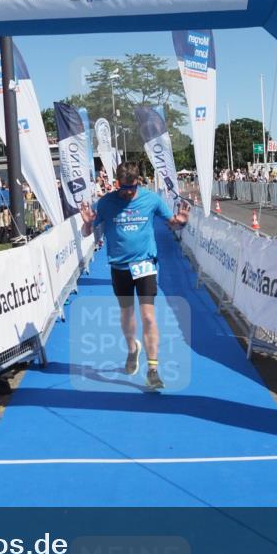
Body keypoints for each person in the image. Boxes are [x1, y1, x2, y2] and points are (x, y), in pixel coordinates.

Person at [79, 162, 190, 391]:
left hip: (145, 264)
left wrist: (181, 222)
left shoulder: (151, 200)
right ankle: (132, 350)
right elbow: (87, 232)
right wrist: (87, 224)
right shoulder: (107, 202)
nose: (127, 193)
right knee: (127, 313)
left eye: (131, 188)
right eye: (123, 189)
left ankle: (152, 370)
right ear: (117, 184)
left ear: (138, 182)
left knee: (148, 316)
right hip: (119, 266)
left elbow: (173, 225)